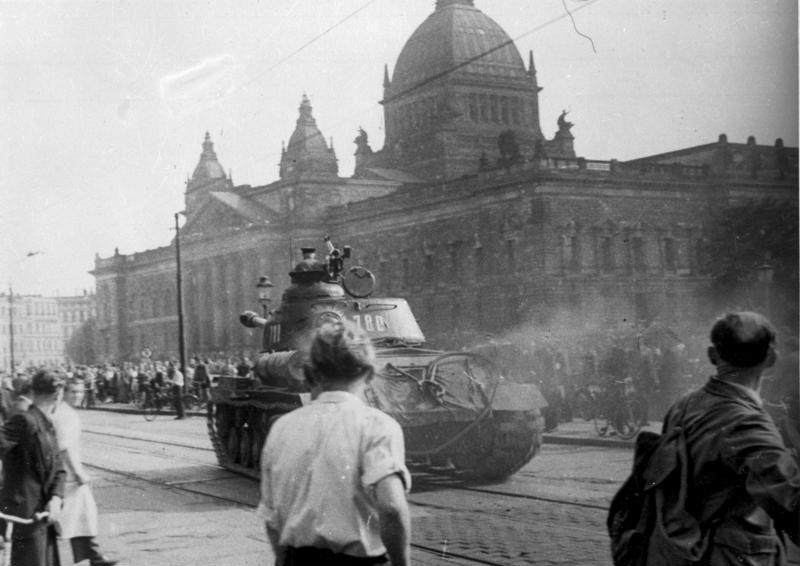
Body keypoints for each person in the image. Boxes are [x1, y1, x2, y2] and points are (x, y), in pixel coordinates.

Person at [648, 312, 799, 565]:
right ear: (772, 357)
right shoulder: (745, 422)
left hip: (683, 551)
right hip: (732, 557)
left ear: (712, 355)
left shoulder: (683, 406)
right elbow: (790, 501)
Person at [256, 322, 411, 566]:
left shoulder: (281, 427)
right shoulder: (378, 425)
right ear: (369, 374)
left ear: (311, 374)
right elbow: (391, 507)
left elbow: (271, 518)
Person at [0, 370, 66, 566]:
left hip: (44, 518)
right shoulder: (25, 421)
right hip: (24, 519)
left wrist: (56, 498)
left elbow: (59, 469)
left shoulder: (48, 425)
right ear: (58, 395)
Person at [51, 380, 118, 566]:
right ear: (64, 392)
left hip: (66, 473)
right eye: (73, 392)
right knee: (74, 516)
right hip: (68, 475)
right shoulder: (65, 414)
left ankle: (94, 555)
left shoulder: (66, 411)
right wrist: (78, 472)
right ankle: (93, 556)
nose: (77, 395)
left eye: (80, 392)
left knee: (81, 514)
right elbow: (64, 448)